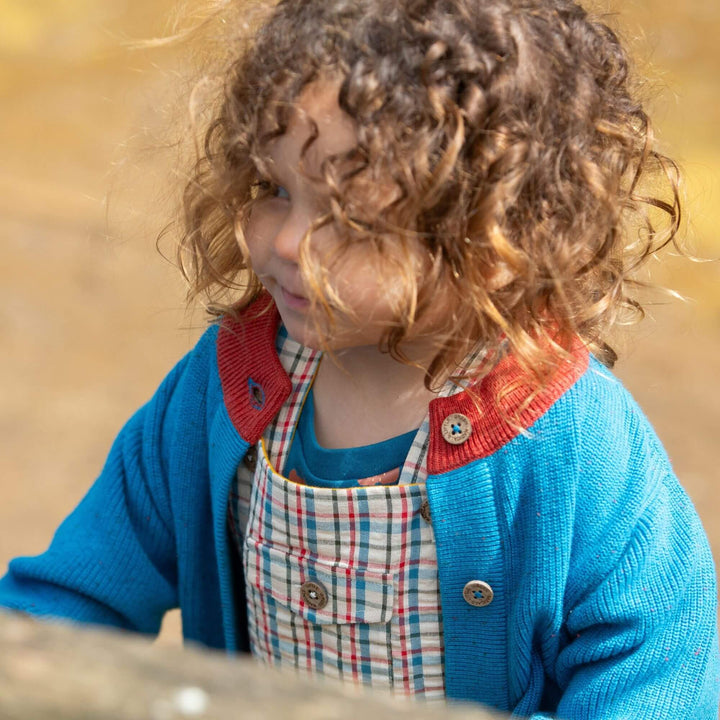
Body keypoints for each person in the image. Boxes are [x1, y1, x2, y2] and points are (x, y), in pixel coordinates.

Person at [1, 0, 718, 717]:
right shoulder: (226, 388)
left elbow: (658, 663)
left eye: (347, 219)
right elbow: (71, 597)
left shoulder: (569, 434)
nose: (286, 243)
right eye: (275, 190)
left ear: (495, 241)